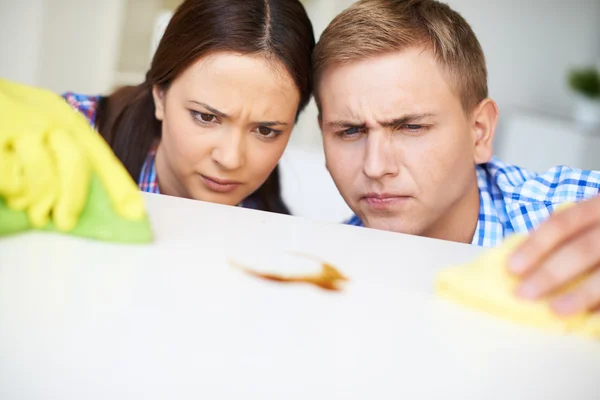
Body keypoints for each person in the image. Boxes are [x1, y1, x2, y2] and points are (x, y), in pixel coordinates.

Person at [314, 0, 600, 315]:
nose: (376, 167)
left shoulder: (567, 215)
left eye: (412, 127)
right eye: (350, 131)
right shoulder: (323, 269)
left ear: (479, 132)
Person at [63, 0, 315, 214]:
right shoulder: (67, 134)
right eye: (206, 116)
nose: (230, 159)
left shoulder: (271, 231)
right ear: (160, 94)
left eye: (265, 131)